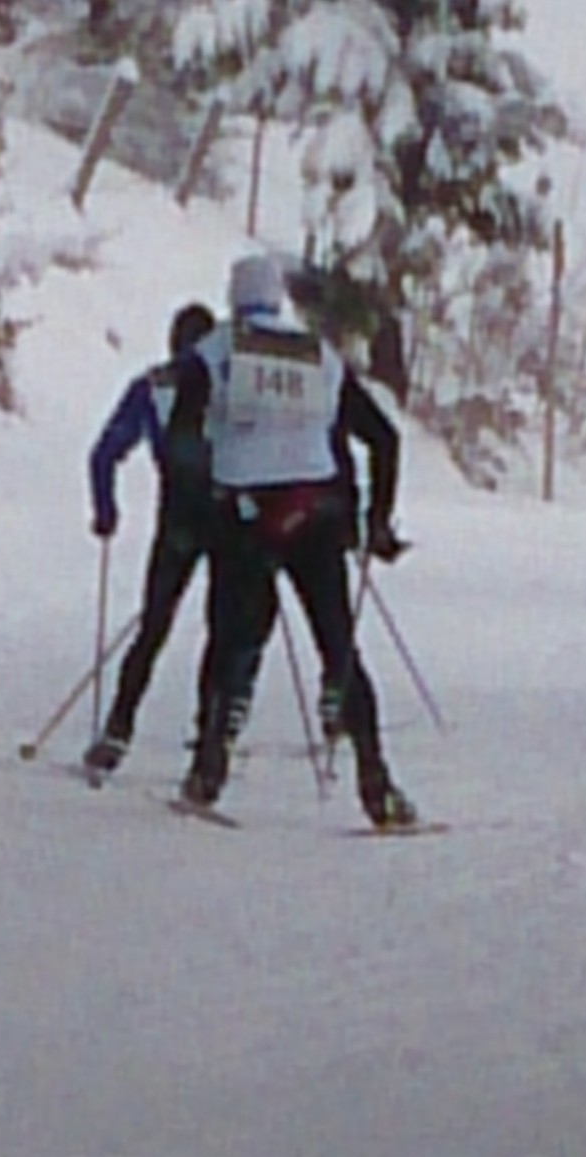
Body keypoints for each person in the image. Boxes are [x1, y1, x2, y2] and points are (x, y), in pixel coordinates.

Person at [167, 253, 417, 829]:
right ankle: (377, 783)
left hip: (244, 516)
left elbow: (183, 435)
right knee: (339, 648)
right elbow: (383, 438)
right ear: (279, 299)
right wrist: (377, 520)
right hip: (316, 514)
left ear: (235, 300)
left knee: (228, 643)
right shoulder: (320, 356)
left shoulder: (218, 351)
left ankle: (208, 766)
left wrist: (192, 507)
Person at [84, 302, 221, 773]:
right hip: (229, 516)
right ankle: (211, 739)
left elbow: (104, 453)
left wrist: (106, 510)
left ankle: (118, 729)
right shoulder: (234, 381)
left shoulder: (153, 386)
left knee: (154, 626)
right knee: (226, 629)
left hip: (177, 518)